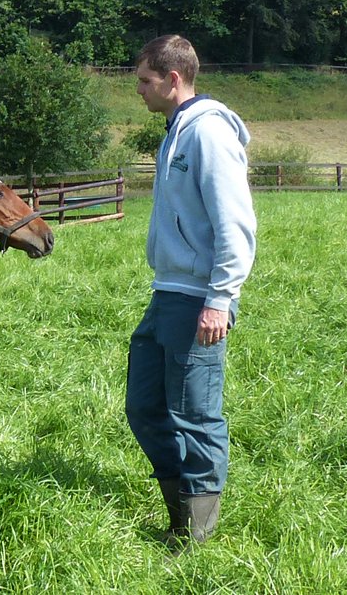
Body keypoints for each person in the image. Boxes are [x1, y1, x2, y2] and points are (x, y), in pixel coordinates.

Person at [126, 34, 257, 553]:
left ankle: (194, 538)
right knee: (144, 406)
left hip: (199, 296)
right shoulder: (175, 131)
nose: (139, 89)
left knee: (196, 414)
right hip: (167, 291)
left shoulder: (209, 133)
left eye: (145, 80)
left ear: (173, 79)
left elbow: (235, 224)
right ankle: (178, 509)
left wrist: (219, 299)